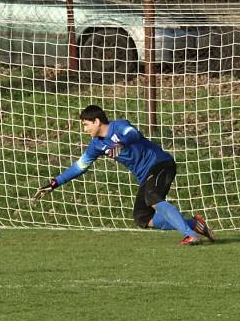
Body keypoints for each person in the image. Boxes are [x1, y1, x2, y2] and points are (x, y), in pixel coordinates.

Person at [32, 105, 215, 245]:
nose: (85, 129)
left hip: (160, 163)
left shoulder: (119, 126)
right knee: (142, 217)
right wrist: (55, 183)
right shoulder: (96, 145)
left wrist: (120, 143)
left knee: (153, 197)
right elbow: (80, 166)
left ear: (96, 121)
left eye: (86, 125)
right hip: (145, 175)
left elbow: (133, 134)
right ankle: (194, 224)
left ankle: (190, 235)